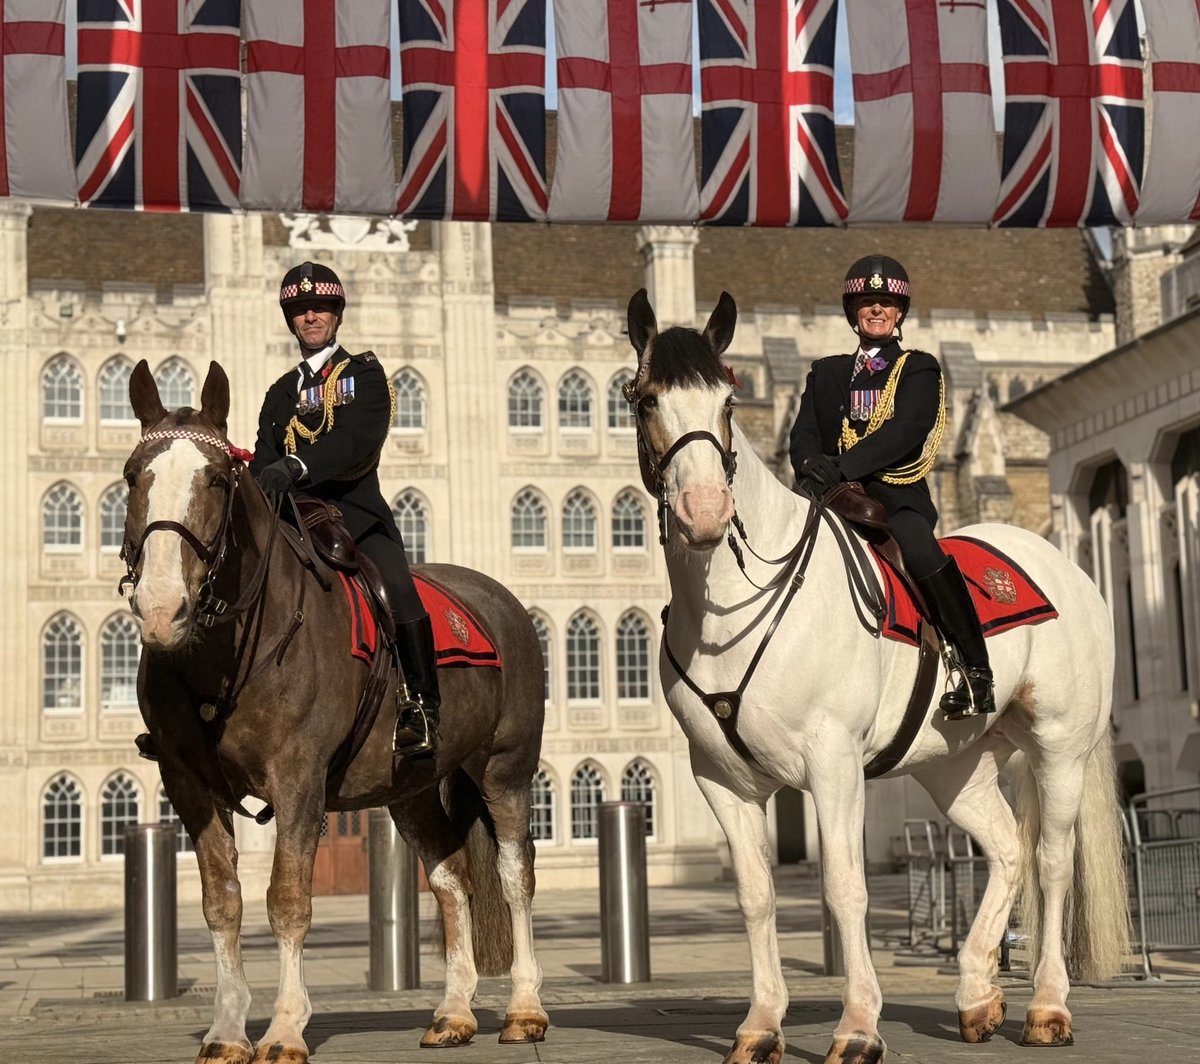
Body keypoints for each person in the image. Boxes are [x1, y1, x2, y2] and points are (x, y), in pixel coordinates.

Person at [136, 261, 440, 762]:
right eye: (300, 310)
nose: (310, 317)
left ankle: (422, 706)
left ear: (336, 315)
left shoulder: (363, 374)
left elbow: (357, 440)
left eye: (319, 308)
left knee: (397, 589)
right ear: (290, 321)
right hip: (288, 519)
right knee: (213, 579)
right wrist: (254, 480)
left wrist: (295, 466)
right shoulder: (280, 393)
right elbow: (264, 457)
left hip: (353, 517)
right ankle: (177, 712)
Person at [788, 254, 995, 719]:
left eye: (886, 303)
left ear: (899, 313)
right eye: (867, 302)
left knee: (920, 551)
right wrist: (811, 468)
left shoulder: (918, 368)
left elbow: (906, 431)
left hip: (896, 497)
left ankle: (975, 671)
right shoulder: (826, 373)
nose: (876, 310)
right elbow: (803, 434)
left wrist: (843, 466)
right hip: (831, 498)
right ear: (853, 312)